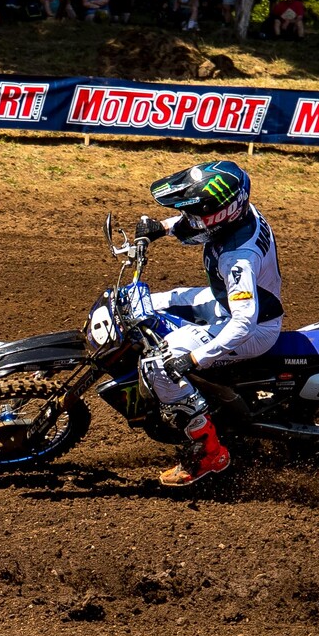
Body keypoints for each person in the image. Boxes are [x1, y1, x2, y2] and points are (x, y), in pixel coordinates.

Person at [134, 160, 282, 488]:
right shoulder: (239, 212)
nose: (188, 218)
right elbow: (199, 222)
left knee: (160, 365)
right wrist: (161, 228)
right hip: (224, 302)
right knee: (141, 303)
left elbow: (243, 323)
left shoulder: (237, 259)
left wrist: (195, 358)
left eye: (195, 213)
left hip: (252, 328)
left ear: (220, 214)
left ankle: (210, 452)